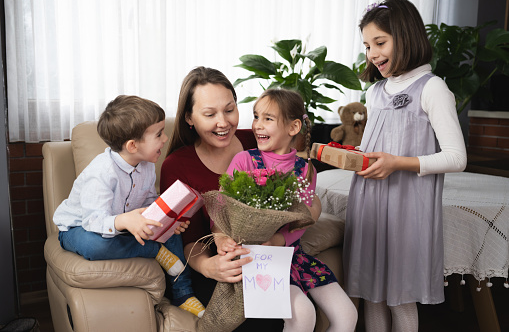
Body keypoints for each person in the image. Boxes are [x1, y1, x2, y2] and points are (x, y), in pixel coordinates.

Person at [162, 67, 324, 330]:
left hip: (264, 258)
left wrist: (309, 212)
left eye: (229, 109)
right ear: (189, 118)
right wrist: (208, 266)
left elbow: (304, 186)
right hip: (217, 264)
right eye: (209, 114)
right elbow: (185, 238)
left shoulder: (259, 141)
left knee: (296, 312)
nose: (223, 122)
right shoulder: (176, 166)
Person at [343, 0, 468, 332]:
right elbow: (377, 146)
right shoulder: (375, 92)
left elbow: (457, 158)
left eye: (380, 43)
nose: (372, 54)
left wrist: (397, 162)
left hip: (407, 209)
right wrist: (356, 155)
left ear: (406, 36)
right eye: (367, 45)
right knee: (372, 294)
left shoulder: (433, 88)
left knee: (400, 297)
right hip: (370, 205)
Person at [214, 88, 358, 332]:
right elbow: (221, 207)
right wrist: (221, 237)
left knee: (347, 314)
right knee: (303, 313)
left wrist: (280, 239)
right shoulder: (244, 160)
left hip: (292, 255)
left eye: (267, 119)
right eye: (256, 116)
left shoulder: (306, 171)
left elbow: (302, 220)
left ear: (293, 128)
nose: (257, 125)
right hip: (257, 259)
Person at [53, 95, 205, 317]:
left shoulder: (146, 166)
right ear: (133, 145)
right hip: (80, 228)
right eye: (158, 134)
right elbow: (93, 220)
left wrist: (169, 218)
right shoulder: (102, 173)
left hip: (124, 228)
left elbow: (146, 201)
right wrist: (125, 221)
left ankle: (183, 294)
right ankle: (155, 251)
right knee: (95, 246)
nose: (165, 138)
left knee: (171, 231)